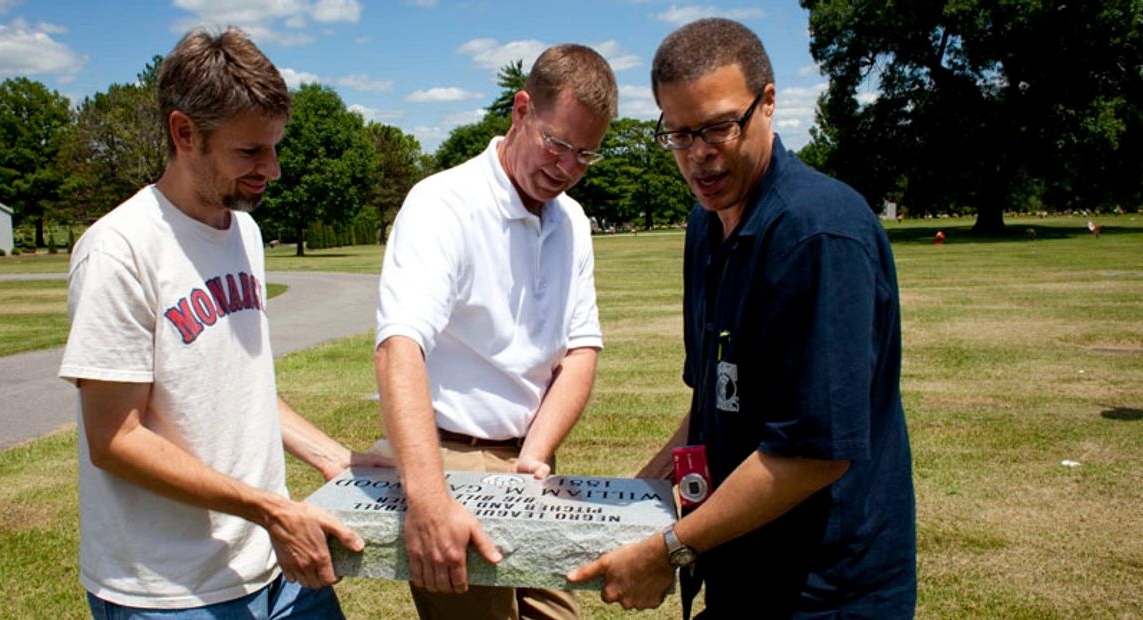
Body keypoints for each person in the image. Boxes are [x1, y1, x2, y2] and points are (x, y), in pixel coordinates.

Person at [568, 18, 917, 619]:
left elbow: (813, 452)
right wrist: (640, 494)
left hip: (824, 593)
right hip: (739, 569)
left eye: (719, 128)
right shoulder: (707, 225)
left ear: (770, 102)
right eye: (677, 134)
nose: (699, 155)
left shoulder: (818, 235)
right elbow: (718, 399)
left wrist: (667, 550)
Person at [59, 27, 371, 619]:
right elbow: (115, 439)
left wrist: (334, 456)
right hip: (171, 593)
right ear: (184, 134)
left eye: (274, 147)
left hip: (278, 569)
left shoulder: (244, 232)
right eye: (250, 152)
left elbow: (235, 386)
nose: (272, 170)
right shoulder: (119, 250)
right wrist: (271, 509)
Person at [373, 44, 617, 619]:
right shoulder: (442, 206)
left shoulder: (573, 222)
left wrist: (534, 458)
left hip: (531, 458)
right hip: (449, 457)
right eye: (557, 143)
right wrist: (429, 496)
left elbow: (581, 350)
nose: (566, 168)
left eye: (586, 155)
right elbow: (398, 350)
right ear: (522, 109)